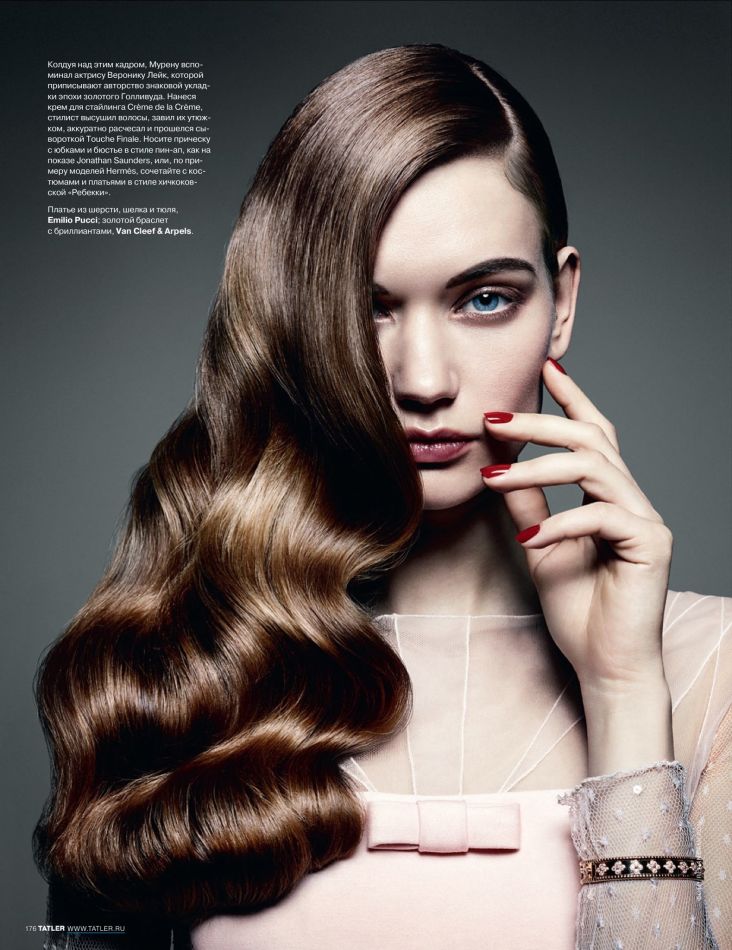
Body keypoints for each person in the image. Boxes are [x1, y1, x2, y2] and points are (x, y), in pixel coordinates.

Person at [35, 44, 730, 950]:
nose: (425, 380)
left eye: (485, 299)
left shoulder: (712, 668)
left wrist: (624, 690)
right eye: (369, 307)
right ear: (296, 318)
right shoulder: (174, 665)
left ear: (560, 302)